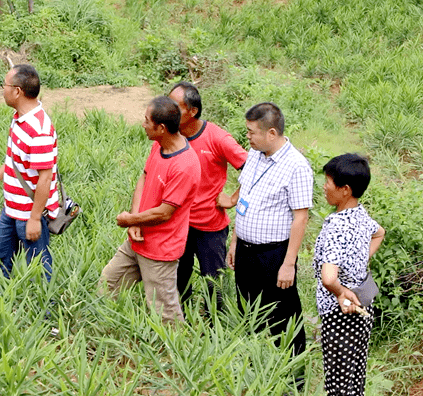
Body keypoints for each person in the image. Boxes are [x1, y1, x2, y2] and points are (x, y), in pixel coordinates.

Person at [99, 96, 201, 323]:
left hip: (160, 251)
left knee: (165, 313)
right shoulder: (159, 145)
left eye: (147, 121)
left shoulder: (185, 165)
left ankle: (177, 354)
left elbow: (165, 212)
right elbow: (144, 178)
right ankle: (106, 332)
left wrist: (129, 220)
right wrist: (135, 221)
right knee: (107, 284)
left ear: (161, 128)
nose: (143, 124)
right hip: (138, 240)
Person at [225, 102, 312, 358]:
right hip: (245, 250)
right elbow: (245, 198)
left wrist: (288, 264)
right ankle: (254, 362)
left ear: (271, 133)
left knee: (282, 313)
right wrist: (234, 243)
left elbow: (301, 218)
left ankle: (292, 371)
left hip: (273, 255)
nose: (248, 137)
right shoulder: (254, 154)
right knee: (247, 308)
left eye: (252, 132)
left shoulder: (296, 167)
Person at [168, 82, 248, 313]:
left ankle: (215, 327)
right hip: (179, 224)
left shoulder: (218, 138)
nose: (169, 110)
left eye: (176, 106)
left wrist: (233, 199)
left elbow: (253, 168)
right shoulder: (172, 135)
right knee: (178, 280)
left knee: (213, 283)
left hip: (209, 227)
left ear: (192, 111)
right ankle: (180, 325)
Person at [314, 153, 384, 396]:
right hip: (364, 304)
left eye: (328, 182)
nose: (324, 187)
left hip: (339, 312)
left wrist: (342, 291)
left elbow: (329, 278)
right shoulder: (361, 215)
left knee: (338, 384)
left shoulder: (336, 225)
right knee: (355, 376)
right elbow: (380, 233)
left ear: (345, 190)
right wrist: (358, 260)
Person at [0, 64, 59, 281]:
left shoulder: (39, 129)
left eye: (4, 85)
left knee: (39, 265)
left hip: (29, 212)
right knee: (2, 254)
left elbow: (45, 177)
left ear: (17, 91)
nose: (2, 90)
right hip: (11, 207)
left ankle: (45, 311)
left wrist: (34, 218)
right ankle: (3, 300)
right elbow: (13, 160)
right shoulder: (19, 119)